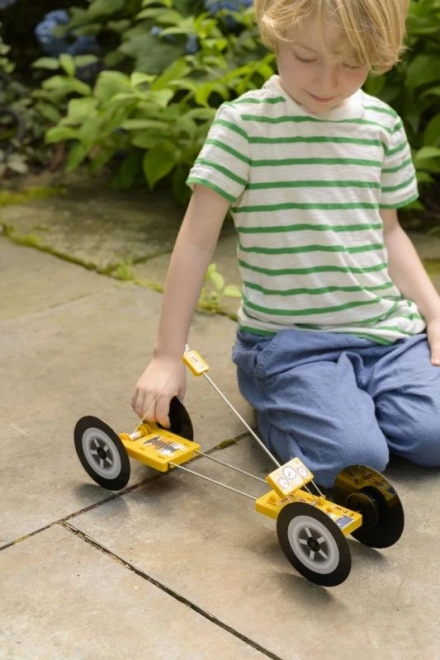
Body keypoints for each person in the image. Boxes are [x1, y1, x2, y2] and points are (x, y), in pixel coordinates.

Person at [132, 0, 440, 488]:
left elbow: (390, 232)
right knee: (357, 459)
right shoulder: (245, 127)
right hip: (292, 345)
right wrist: (167, 356)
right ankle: (286, 412)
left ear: (378, 54)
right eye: (306, 57)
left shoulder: (382, 126)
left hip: (387, 336)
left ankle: (348, 407)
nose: (326, 81)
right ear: (275, 34)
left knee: (435, 437)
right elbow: (195, 241)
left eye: (351, 63)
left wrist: (433, 310)